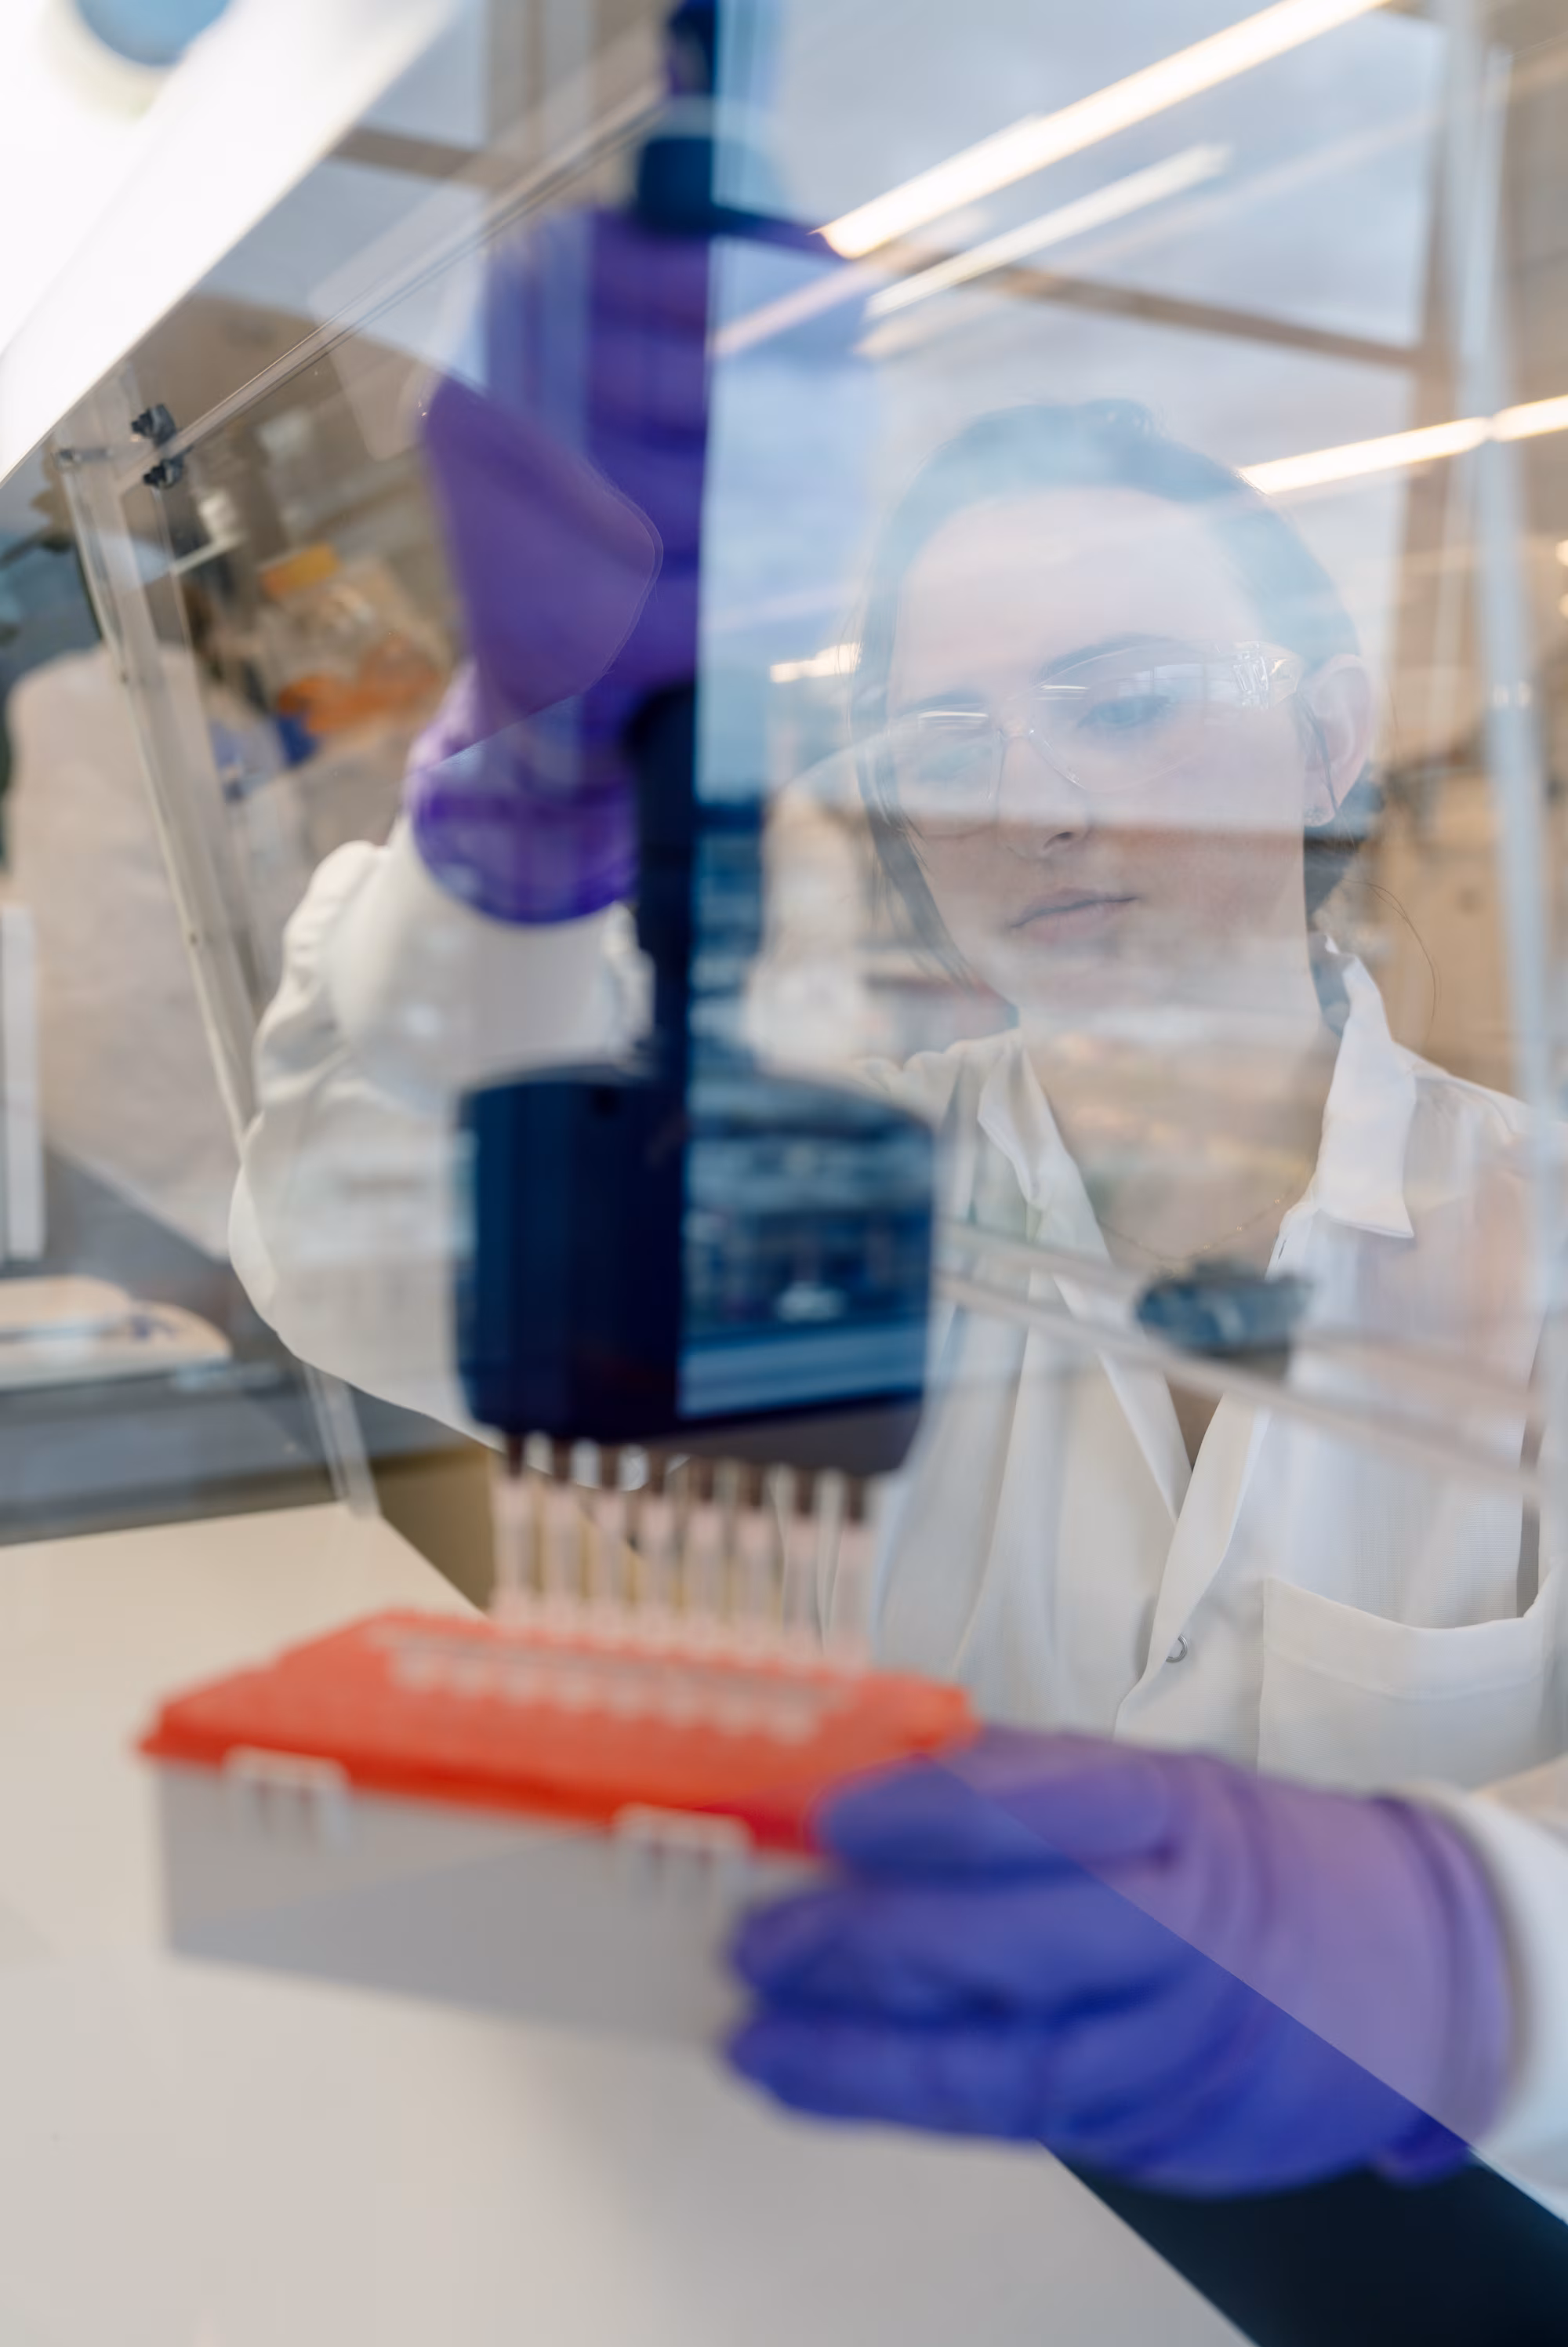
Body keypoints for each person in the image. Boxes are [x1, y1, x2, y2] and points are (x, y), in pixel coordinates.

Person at [225, 24, 1568, 2200]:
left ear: (1330, 741)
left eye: (1126, 700)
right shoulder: (845, 1185)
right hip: (951, 2220)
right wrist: (535, 793)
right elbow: (364, 1273)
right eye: (947, 736)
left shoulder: (1544, 1236)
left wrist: (1464, 1954)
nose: (1028, 802)